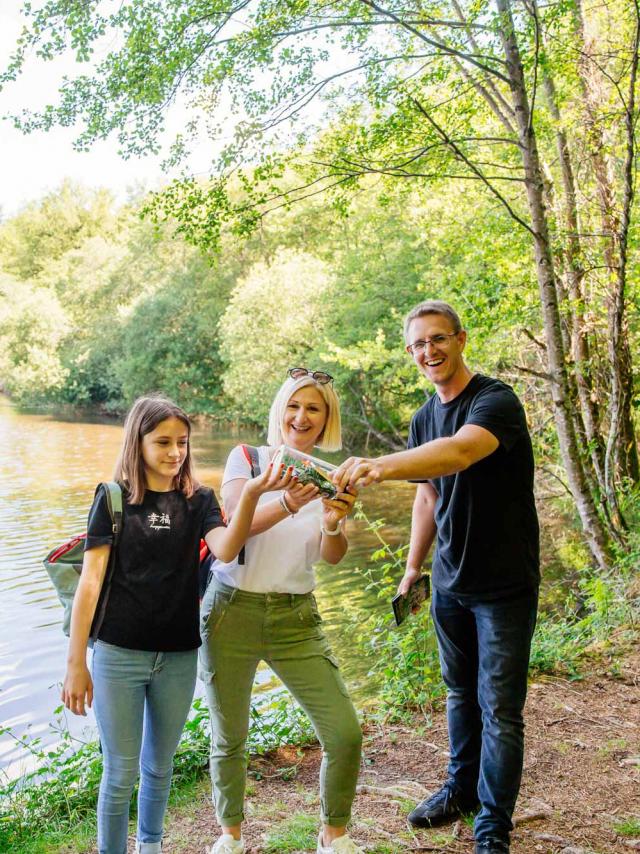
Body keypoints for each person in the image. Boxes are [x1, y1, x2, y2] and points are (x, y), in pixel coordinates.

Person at [334, 301, 539, 854]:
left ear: (461, 339)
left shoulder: (494, 401)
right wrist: (412, 569)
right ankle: (460, 791)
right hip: (450, 582)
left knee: (499, 707)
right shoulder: (424, 416)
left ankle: (493, 825)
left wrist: (381, 465)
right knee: (458, 694)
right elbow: (428, 494)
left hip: (503, 585)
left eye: (438, 339)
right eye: (419, 345)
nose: (430, 352)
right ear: (411, 353)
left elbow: (459, 453)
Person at [62, 394, 293, 854]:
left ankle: (151, 846)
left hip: (180, 655)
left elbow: (226, 549)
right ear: (137, 442)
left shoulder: (201, 499)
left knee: (159, 767)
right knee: (120, 769)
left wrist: (250, 493)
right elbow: (89, 585)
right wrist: (76, 664)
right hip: (117, 655)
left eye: (182, 442)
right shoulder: (111, 500)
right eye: (162, 441)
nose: (175, 452)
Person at [201, 368, 364, 854]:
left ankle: (333, 836)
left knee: (344, 732)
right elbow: (232, 526)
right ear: (280, 411)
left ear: (326, 419)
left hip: (297, 619)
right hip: (232, 612)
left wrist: (334, 522)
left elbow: (331, 555)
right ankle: (230, 834)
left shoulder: (330, 477)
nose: (301, 416)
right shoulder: (247, 458)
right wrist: (289, 503)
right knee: (230, 735)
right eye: (294, 406)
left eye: (313, 408)